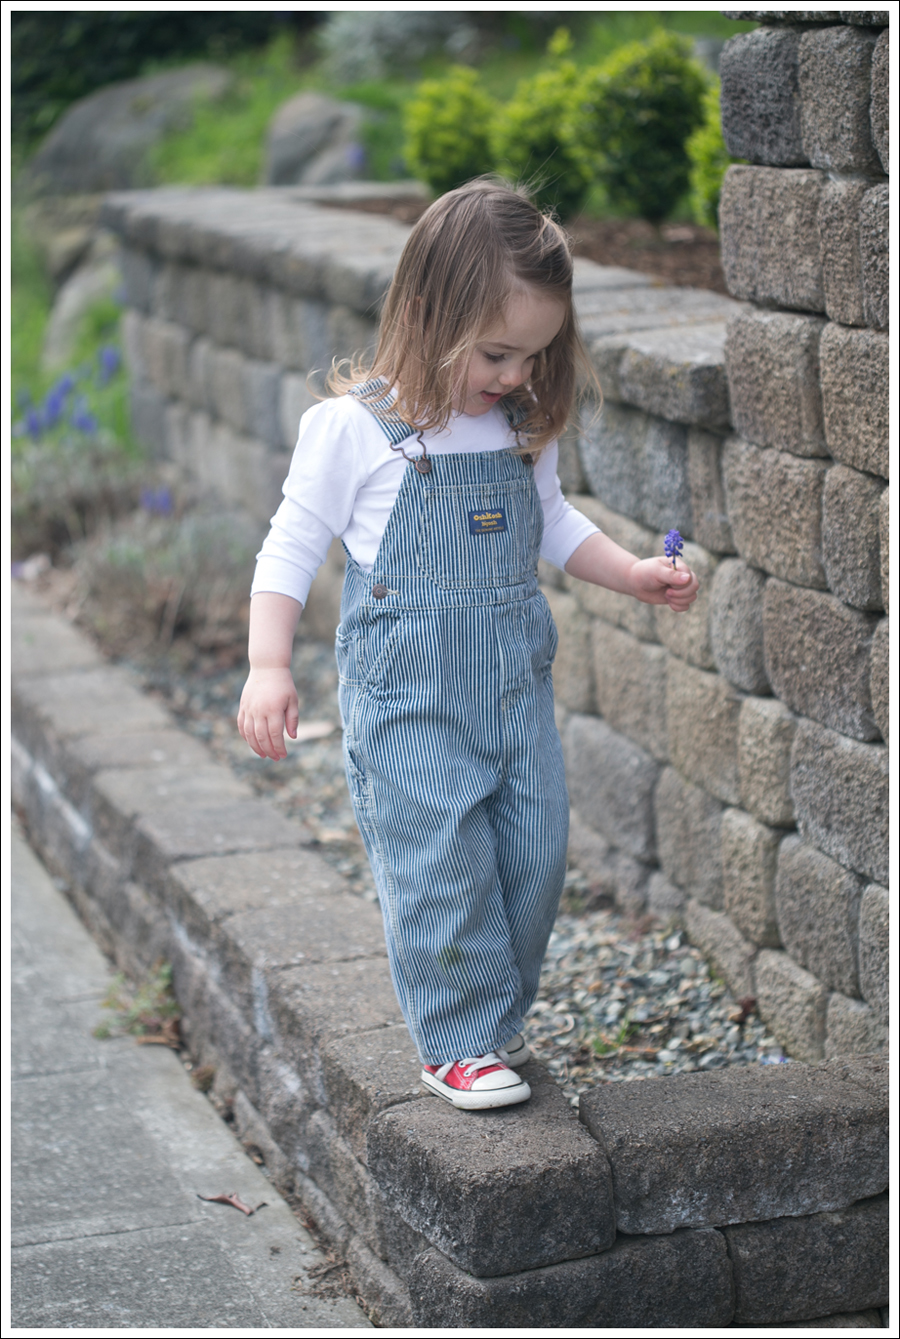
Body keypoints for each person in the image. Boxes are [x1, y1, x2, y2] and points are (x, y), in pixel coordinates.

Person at [238, 179, 699, 1111]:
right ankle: (455, 1039)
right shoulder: (355, 431)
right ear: (425, 314)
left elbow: (551, 521)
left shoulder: (519, 426)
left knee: (534, 855)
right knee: (440, 864)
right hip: (410, 703)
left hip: (512, 694)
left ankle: (492, 1018)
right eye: (496, 353)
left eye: (534, 355)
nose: (516, 375)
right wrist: (268, 664)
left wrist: (630, 571)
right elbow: (289, 545)